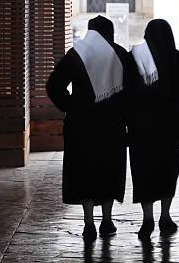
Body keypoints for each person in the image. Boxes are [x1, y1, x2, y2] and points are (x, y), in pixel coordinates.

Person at [46, 15, 138, 242]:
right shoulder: (120, 55)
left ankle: (88, 223)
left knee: (84, 171)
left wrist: (70, 106)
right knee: (109, 169)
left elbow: (53, 85)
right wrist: (125, 115)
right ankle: (107, 220)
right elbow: (132, 90)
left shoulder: (78, 54)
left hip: (81, 125)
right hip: (112, 125)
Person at [128, 19, 179, 239]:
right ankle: (165, 215)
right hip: (171, 129)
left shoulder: (134, 58)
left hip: (142, 128)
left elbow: (126, 92)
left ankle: (147, 219)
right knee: (168, 170)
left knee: (143, 172)